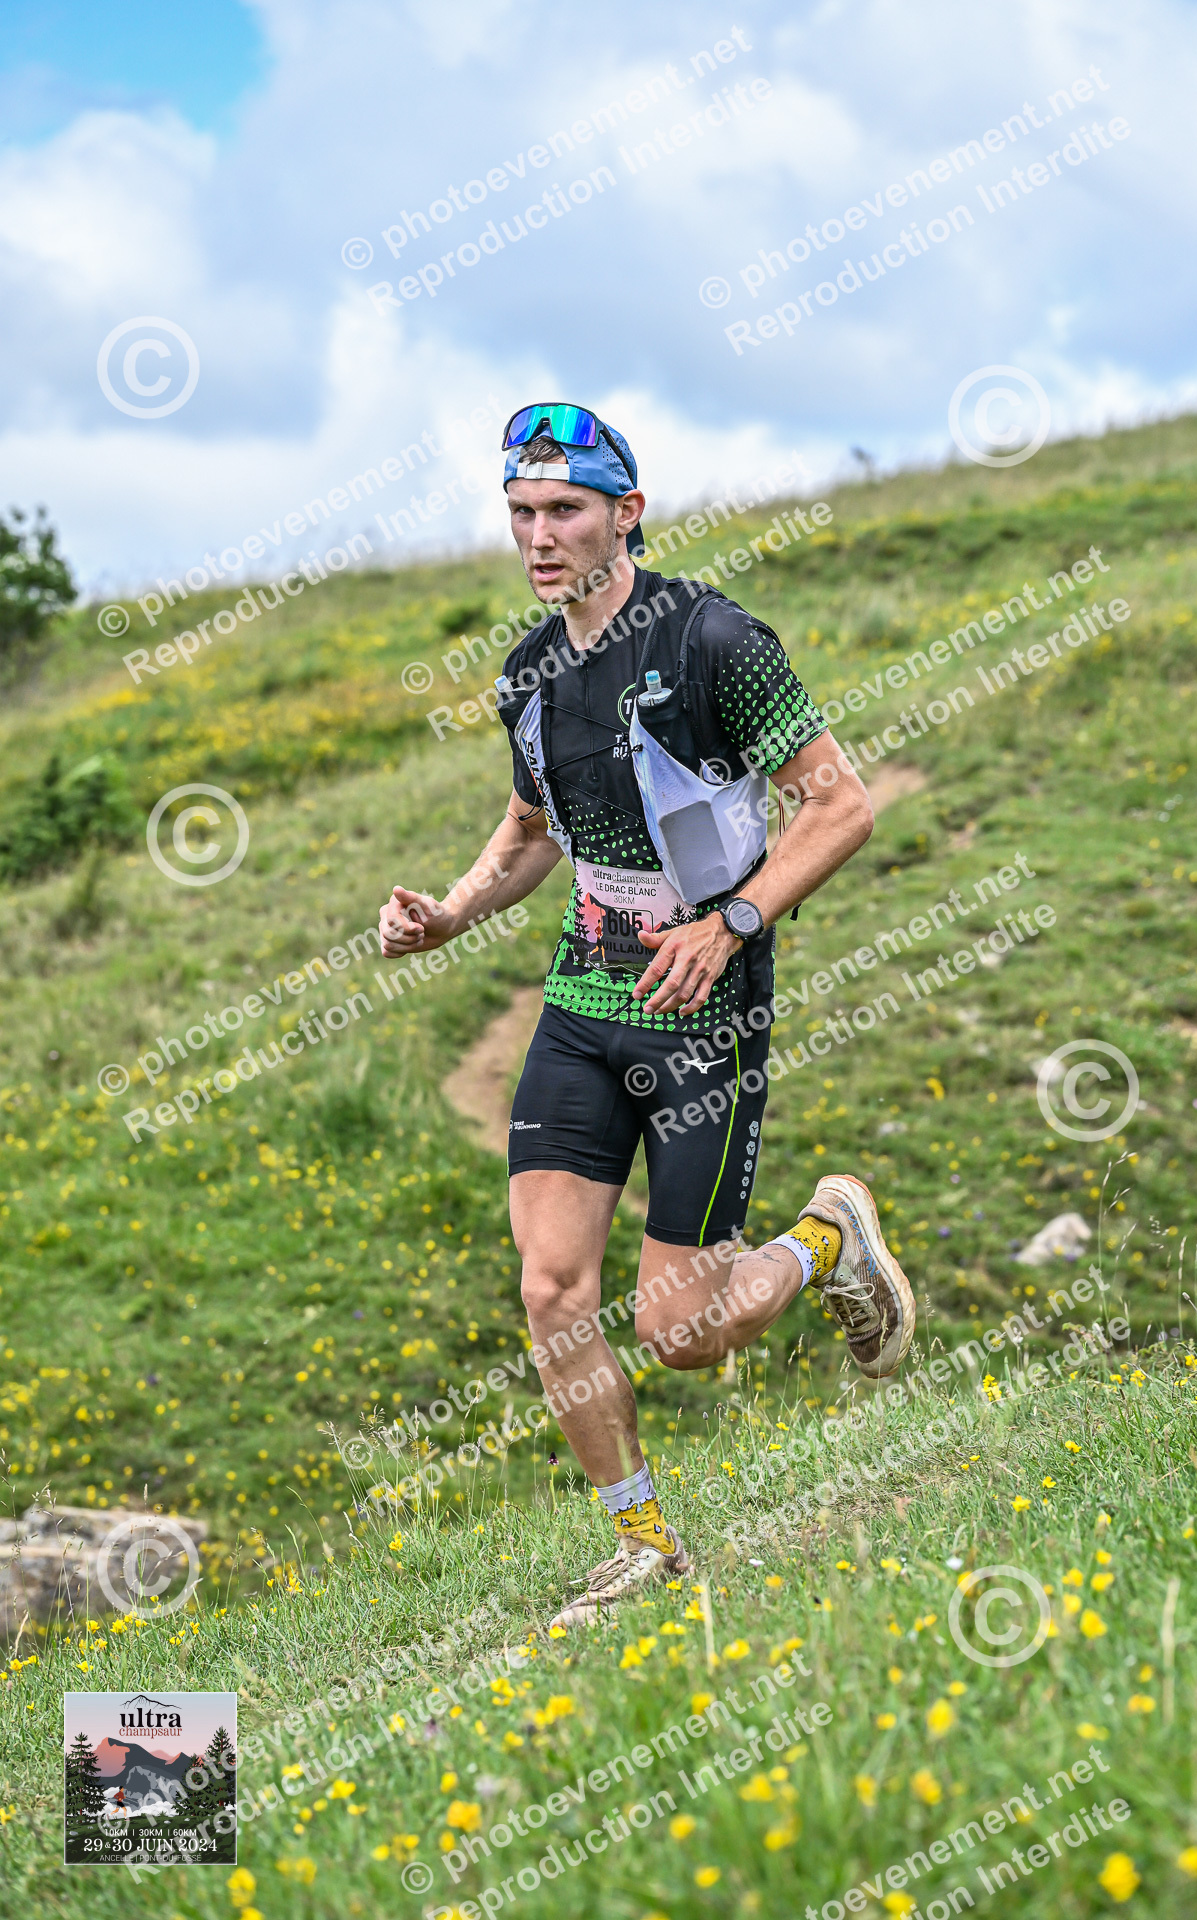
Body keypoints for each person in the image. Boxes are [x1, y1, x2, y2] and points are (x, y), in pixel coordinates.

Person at [379, 403, 915, 1627]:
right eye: (520, 512)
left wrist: (732, 922)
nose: (538, 536)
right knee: (551, 1291)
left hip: (701, 1011)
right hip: (583, 1002)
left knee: (684, 1332)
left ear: (626, 512)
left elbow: (838, 805)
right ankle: (643, 1547)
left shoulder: (715, 639)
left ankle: (825, 1238)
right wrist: (451, 913)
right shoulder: (528, 672)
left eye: (564, 510)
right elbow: (528, 831)